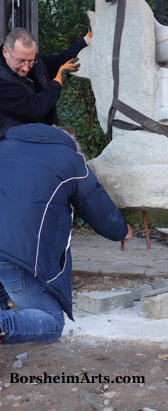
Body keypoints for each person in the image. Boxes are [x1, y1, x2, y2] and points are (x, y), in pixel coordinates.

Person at [0, 123, 132, 345]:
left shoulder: (4, 147)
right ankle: (4, 325)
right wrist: (121, 230)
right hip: (13, 254)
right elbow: (97, 207)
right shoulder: (71, 160)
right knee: (51, 322)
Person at [0, 26, 92, 138]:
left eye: (30, 60)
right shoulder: (2, 80)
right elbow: (34, 109)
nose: (26, 68)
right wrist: (58, 81)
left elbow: (60, 61)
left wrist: (87, 39)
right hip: (11, 146)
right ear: (5, 52)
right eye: (21, 61)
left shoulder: (37, 64)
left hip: (41, 139)